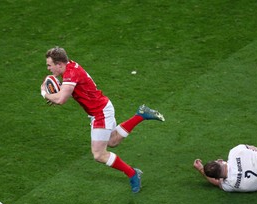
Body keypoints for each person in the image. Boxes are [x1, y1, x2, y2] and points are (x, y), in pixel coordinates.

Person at [40, 47, 165, 193]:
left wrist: (45, 93)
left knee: (99, 154)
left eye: (50, 65)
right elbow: (66, 90)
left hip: (100, 113)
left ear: (59, 64)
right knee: (113, 141)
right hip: (102, 108)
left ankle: (132, 173)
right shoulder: (71, 67)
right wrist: (56, 93)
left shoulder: (71, 73)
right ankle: (141, 114)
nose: (48, 68)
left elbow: (61, 99)